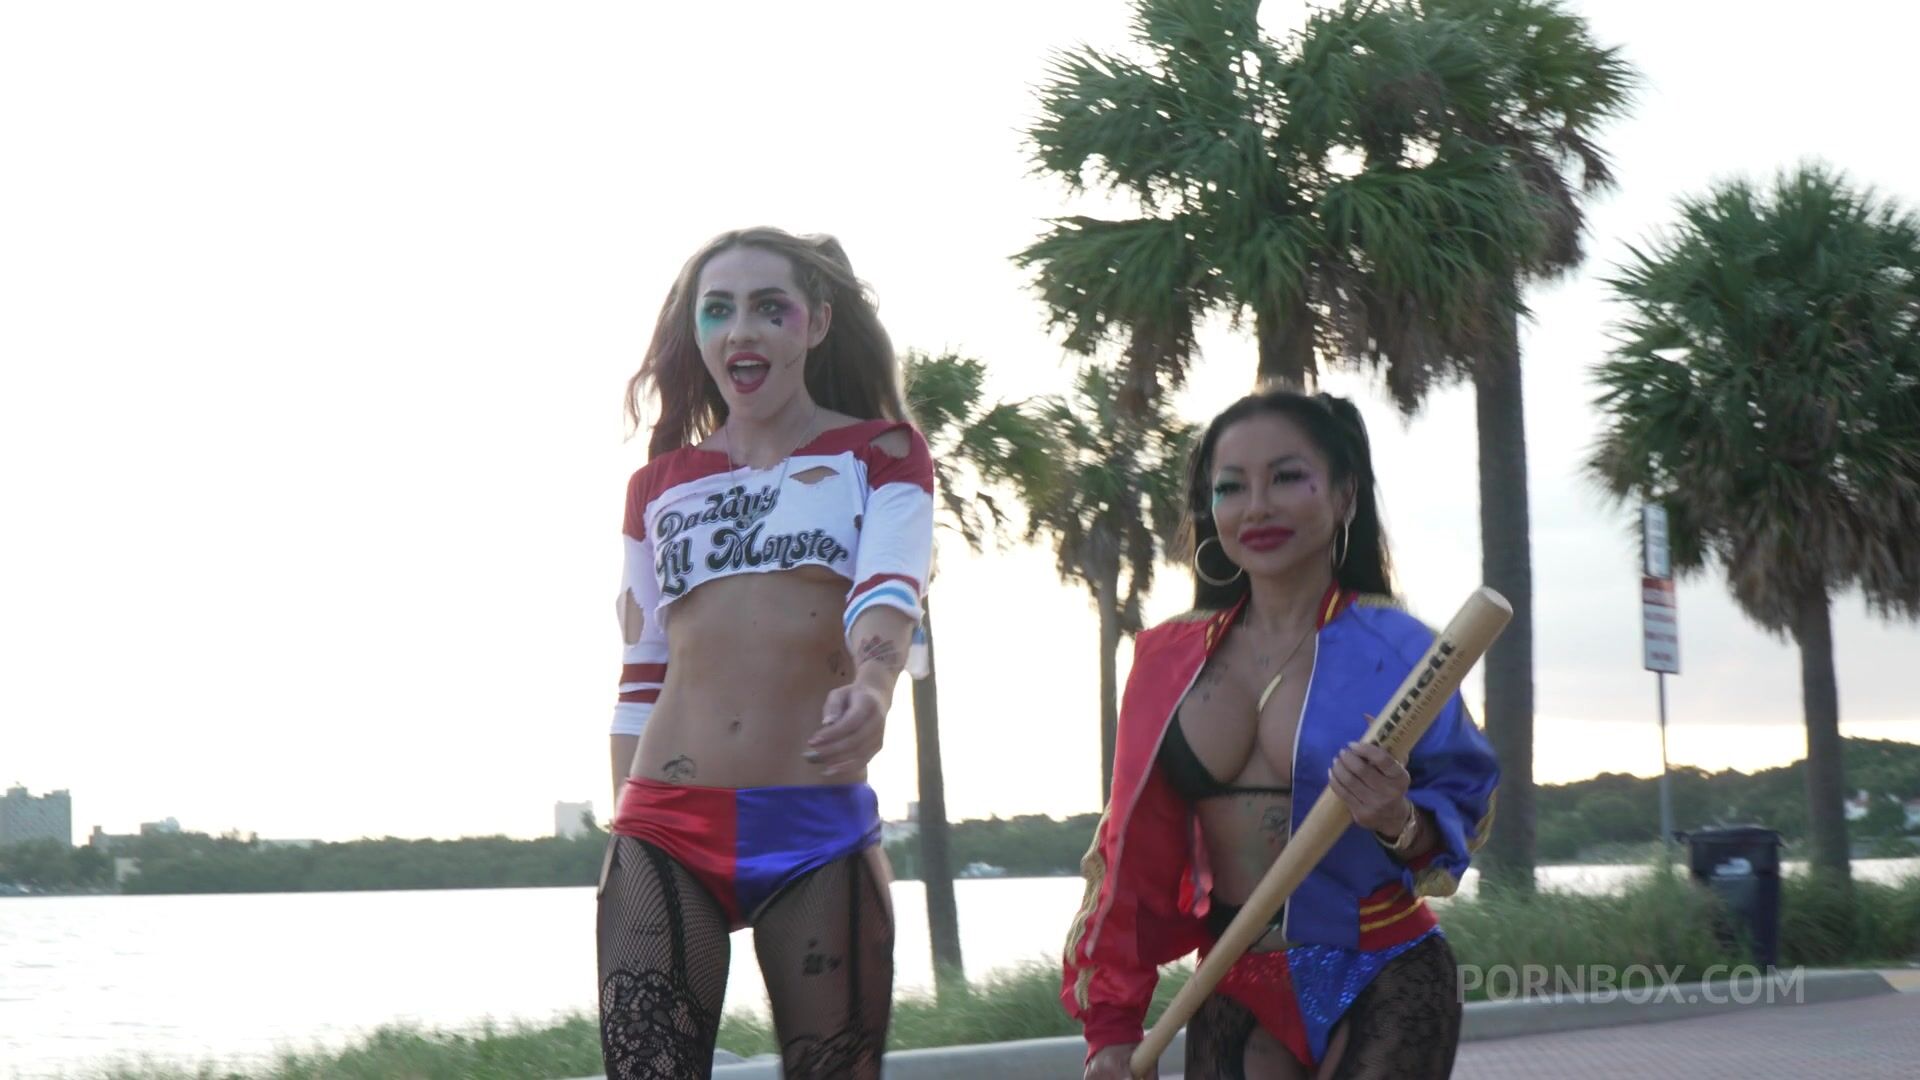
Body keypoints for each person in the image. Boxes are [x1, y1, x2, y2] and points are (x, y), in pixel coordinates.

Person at [1063, 388, 1500, 1079]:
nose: (1257, 507)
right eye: (1231, 487)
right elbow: (1128, 856)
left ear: (1345, 496)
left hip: (1384, 967)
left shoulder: (1404, 649)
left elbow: (1459, 813)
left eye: (1287, 477)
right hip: (1231, 976)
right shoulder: (1164, 660)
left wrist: (1396, 818)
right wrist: (1112, 1026)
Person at [598, 227, 932, 1079]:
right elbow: (644, 670)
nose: (741, 329)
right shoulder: (657, 485)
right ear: (698, 334)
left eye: (767, 308)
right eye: (718, 311)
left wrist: (875, 686)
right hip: (665, 824)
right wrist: (621, 821)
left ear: (815, 323)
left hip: (814, 826)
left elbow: (888, 587)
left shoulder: (882, 453)